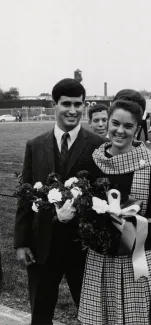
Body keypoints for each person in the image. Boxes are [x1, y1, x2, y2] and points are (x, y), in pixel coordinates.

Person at [14, 78, 106, 325]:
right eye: (67, 104)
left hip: (83, 250)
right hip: (43, 247)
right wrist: (21, 243)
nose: (73, 110)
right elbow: (26, 198)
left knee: (92, 317)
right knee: (41, 315)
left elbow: (104, 197)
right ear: (53, 104)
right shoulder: (35, 145)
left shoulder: (98, 146)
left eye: (79, 104)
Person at [77, 97, 151, 325]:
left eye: (128, 126)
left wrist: (131, 225)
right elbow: (85, 205)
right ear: (108, 123)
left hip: (137, 255)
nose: (120, 131)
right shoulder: (93, 161)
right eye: (115, 123)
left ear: (137, 128)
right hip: (102, 256)